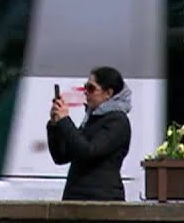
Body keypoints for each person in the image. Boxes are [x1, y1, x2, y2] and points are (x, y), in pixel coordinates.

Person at [46, 66, 132, 201]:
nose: (86, 93)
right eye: (85, 87)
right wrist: (55, 126)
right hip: (77, 197)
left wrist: (65, 121)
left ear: (108, 93)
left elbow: (89, 151)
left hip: (100, 200)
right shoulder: (91, 119)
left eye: (91, 88)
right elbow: (61, 156)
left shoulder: (117, 121)